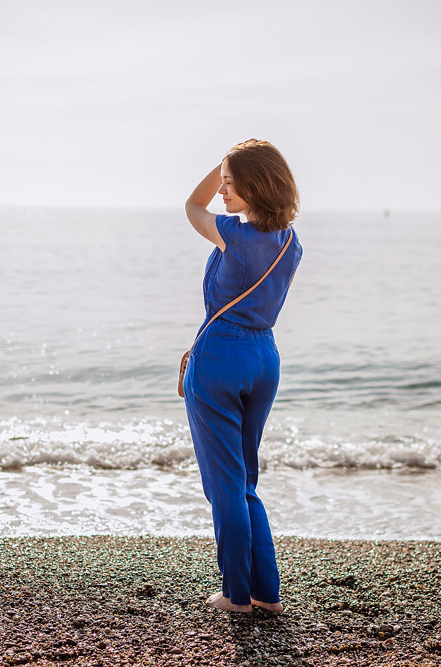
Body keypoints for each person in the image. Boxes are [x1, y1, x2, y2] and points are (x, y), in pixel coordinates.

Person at [183, 139, 303, 613]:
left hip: (220, 356)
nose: (223, 191)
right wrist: (233, 166)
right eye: (224, 182)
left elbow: (192, 206)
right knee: (246, 480)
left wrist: (221, 162)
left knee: (225, 486)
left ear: (256, 184)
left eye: (231, 183)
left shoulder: (232, 233)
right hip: (264, 358)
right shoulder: (291, 243)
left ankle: (236, 596)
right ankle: (266, 594)